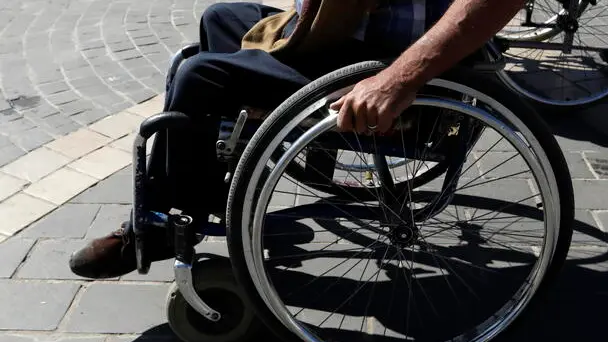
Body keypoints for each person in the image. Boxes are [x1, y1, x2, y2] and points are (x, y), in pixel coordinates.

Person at [69, 0, 527, 279]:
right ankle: (220, 189)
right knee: (221, 20)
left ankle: (163, 223)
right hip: (346, 39)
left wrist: (397, 80)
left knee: (200, 76)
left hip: (391, 70)